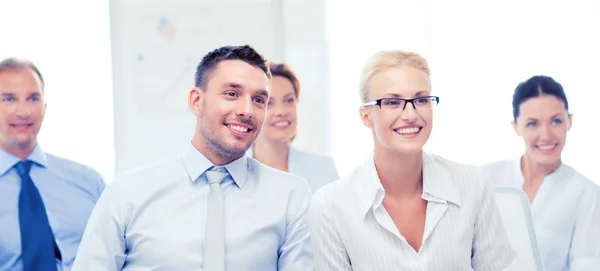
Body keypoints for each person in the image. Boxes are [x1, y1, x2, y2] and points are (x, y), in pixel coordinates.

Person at [71, 45, 313, 271]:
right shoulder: (127, 193)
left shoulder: (290, 196)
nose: (247, 110)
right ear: (197, 101)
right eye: (231, 93)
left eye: (259, 100)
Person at [308, 50, 517, 270]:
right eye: (392, 102)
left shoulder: (472, 184)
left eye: (421, 99)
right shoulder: (331, 206)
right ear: (366, 116)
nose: (410, 114)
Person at [480, 75, 600, 270]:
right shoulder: (485, 178)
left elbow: (588, 264)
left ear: (570, 121)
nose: (546, 135)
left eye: (556, 121)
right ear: (516, 127)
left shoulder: (587, 194)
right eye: (532, 124)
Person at [0, 58, 106, 271]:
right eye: (9, 99)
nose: (23, 111)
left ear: (44, 107)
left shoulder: (88, 181)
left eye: (33, 98)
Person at [249, 61, 339, 192]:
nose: (281, 111)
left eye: (289, 100)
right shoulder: (229, 171)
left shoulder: (322, 169)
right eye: (269, 103)